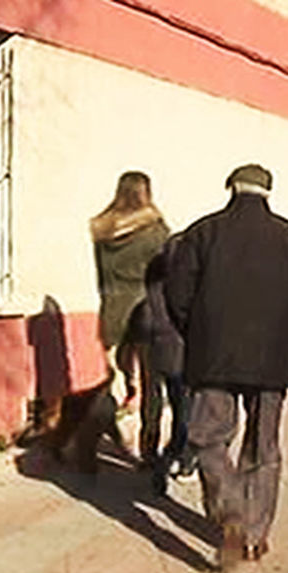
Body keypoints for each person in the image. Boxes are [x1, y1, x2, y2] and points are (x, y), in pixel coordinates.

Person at [166, 164, 288, 571]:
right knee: (264, 447)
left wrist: (199, 333)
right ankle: (255, 535)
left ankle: (229, 511)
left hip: (213, 359)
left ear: (230, 189)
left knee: (207, 440)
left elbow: (177, 296)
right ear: (268, 192)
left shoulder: (202, 233)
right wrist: (287, 337)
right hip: (273, 361)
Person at [89, 171, 170, 468]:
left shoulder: (101, 229)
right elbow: (166, 272)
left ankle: (95, 439)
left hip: (112, 308)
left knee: (114, 379)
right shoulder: (155, 230)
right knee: (151, 385)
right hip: (146, 310)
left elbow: (100, 276)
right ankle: (148, 450)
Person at [129, 234, 193, 493]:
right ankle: (180, 459)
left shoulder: (152, 275)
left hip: (148, 341)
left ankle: (149, 453)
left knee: (151, 401)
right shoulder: (186, 280)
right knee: (183, 407)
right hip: (176, 347)